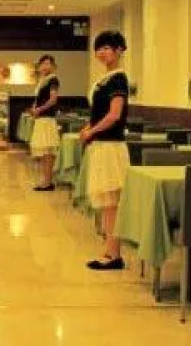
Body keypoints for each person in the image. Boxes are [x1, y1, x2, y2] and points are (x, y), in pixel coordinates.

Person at [80, 31, 130, 271]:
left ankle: (113, 255)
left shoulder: (118, 79)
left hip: (111, 146)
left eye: (107, 48)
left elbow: (114, 115)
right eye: (98, 48)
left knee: (112, 203)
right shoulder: (105, 78)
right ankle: (110, 252)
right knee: (108, 203)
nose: (102, 53)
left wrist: (91, 131)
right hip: (102, 145)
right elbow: (100, 114)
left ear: (119, 50)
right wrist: (88, 127)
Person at [29, 55, 61, 191]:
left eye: (48, 63)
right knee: (43, 152)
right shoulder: (42, 81)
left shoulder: (53, 79)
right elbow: (39, 99)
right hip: (41, 119)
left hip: (47, 119)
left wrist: (39, 109)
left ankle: (48, 182)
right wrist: (34, 108)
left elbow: (53, 100)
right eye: (43, 63)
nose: (45, 66)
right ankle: (46, 180)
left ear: (53, 66)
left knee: (47, 152)